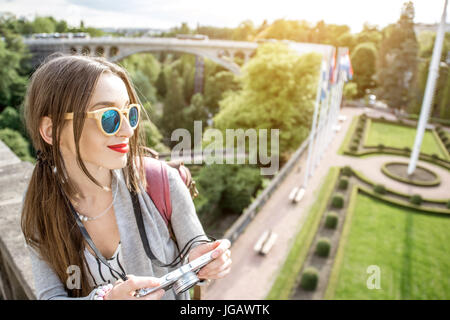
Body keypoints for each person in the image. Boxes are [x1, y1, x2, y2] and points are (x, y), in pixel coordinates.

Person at [20, 53, 232, 300]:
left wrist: (205, 261)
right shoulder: (40, 204)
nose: (128, 130)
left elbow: (195, 245)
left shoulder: (161, 180)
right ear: (52, 130)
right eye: (108, 118)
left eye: (130, 113)